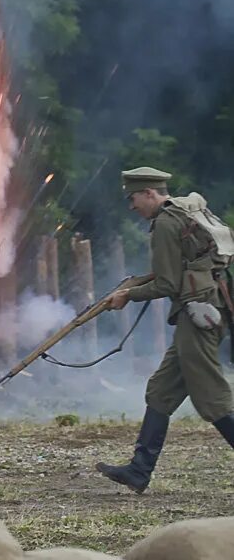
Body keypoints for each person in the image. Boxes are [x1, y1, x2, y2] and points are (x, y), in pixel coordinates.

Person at [97, 167, 234, 493]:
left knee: (211, 398)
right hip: (203, 311)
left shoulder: (166, 224)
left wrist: (127, 296)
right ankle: (138, 471)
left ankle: (139, 470)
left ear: (149, 193)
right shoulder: (183, 213)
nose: (132, 206)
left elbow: (167, 283)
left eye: (133, 198)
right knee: (161, 391)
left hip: (198, 316)